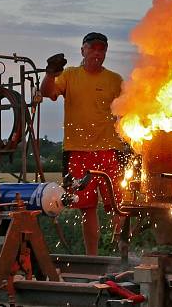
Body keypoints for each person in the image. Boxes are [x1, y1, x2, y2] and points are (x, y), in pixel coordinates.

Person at [40, 32, 125, 256]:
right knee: (86, 208)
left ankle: (123, 253)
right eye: (92, 48)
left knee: (119, 206)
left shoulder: (115, 80)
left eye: (101, 49)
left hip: (110, 150)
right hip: (77, 152)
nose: (97, 53)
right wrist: (50, 74)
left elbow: (129, 109)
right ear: (82, 51)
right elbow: (47, 92)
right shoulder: (69, 75)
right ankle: (92, 258)